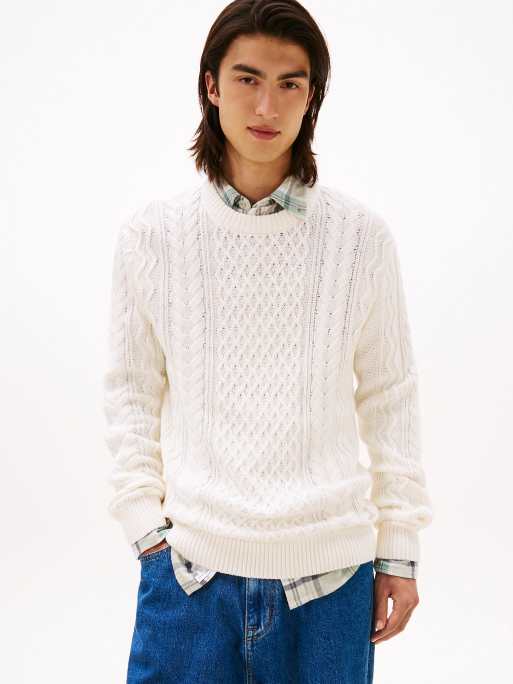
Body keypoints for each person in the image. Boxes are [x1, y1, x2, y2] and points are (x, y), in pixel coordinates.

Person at [103, 1, 434, 681]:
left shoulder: (359, 240)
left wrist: (398, 549)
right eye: (247, 78)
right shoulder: (152, 237)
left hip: (330, 584)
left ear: (312, 97)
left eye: (290, 84)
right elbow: (130, 389)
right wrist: (144, 529)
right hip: (190, 579)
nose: (267, 105)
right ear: (211, 85)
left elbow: (389, 395)